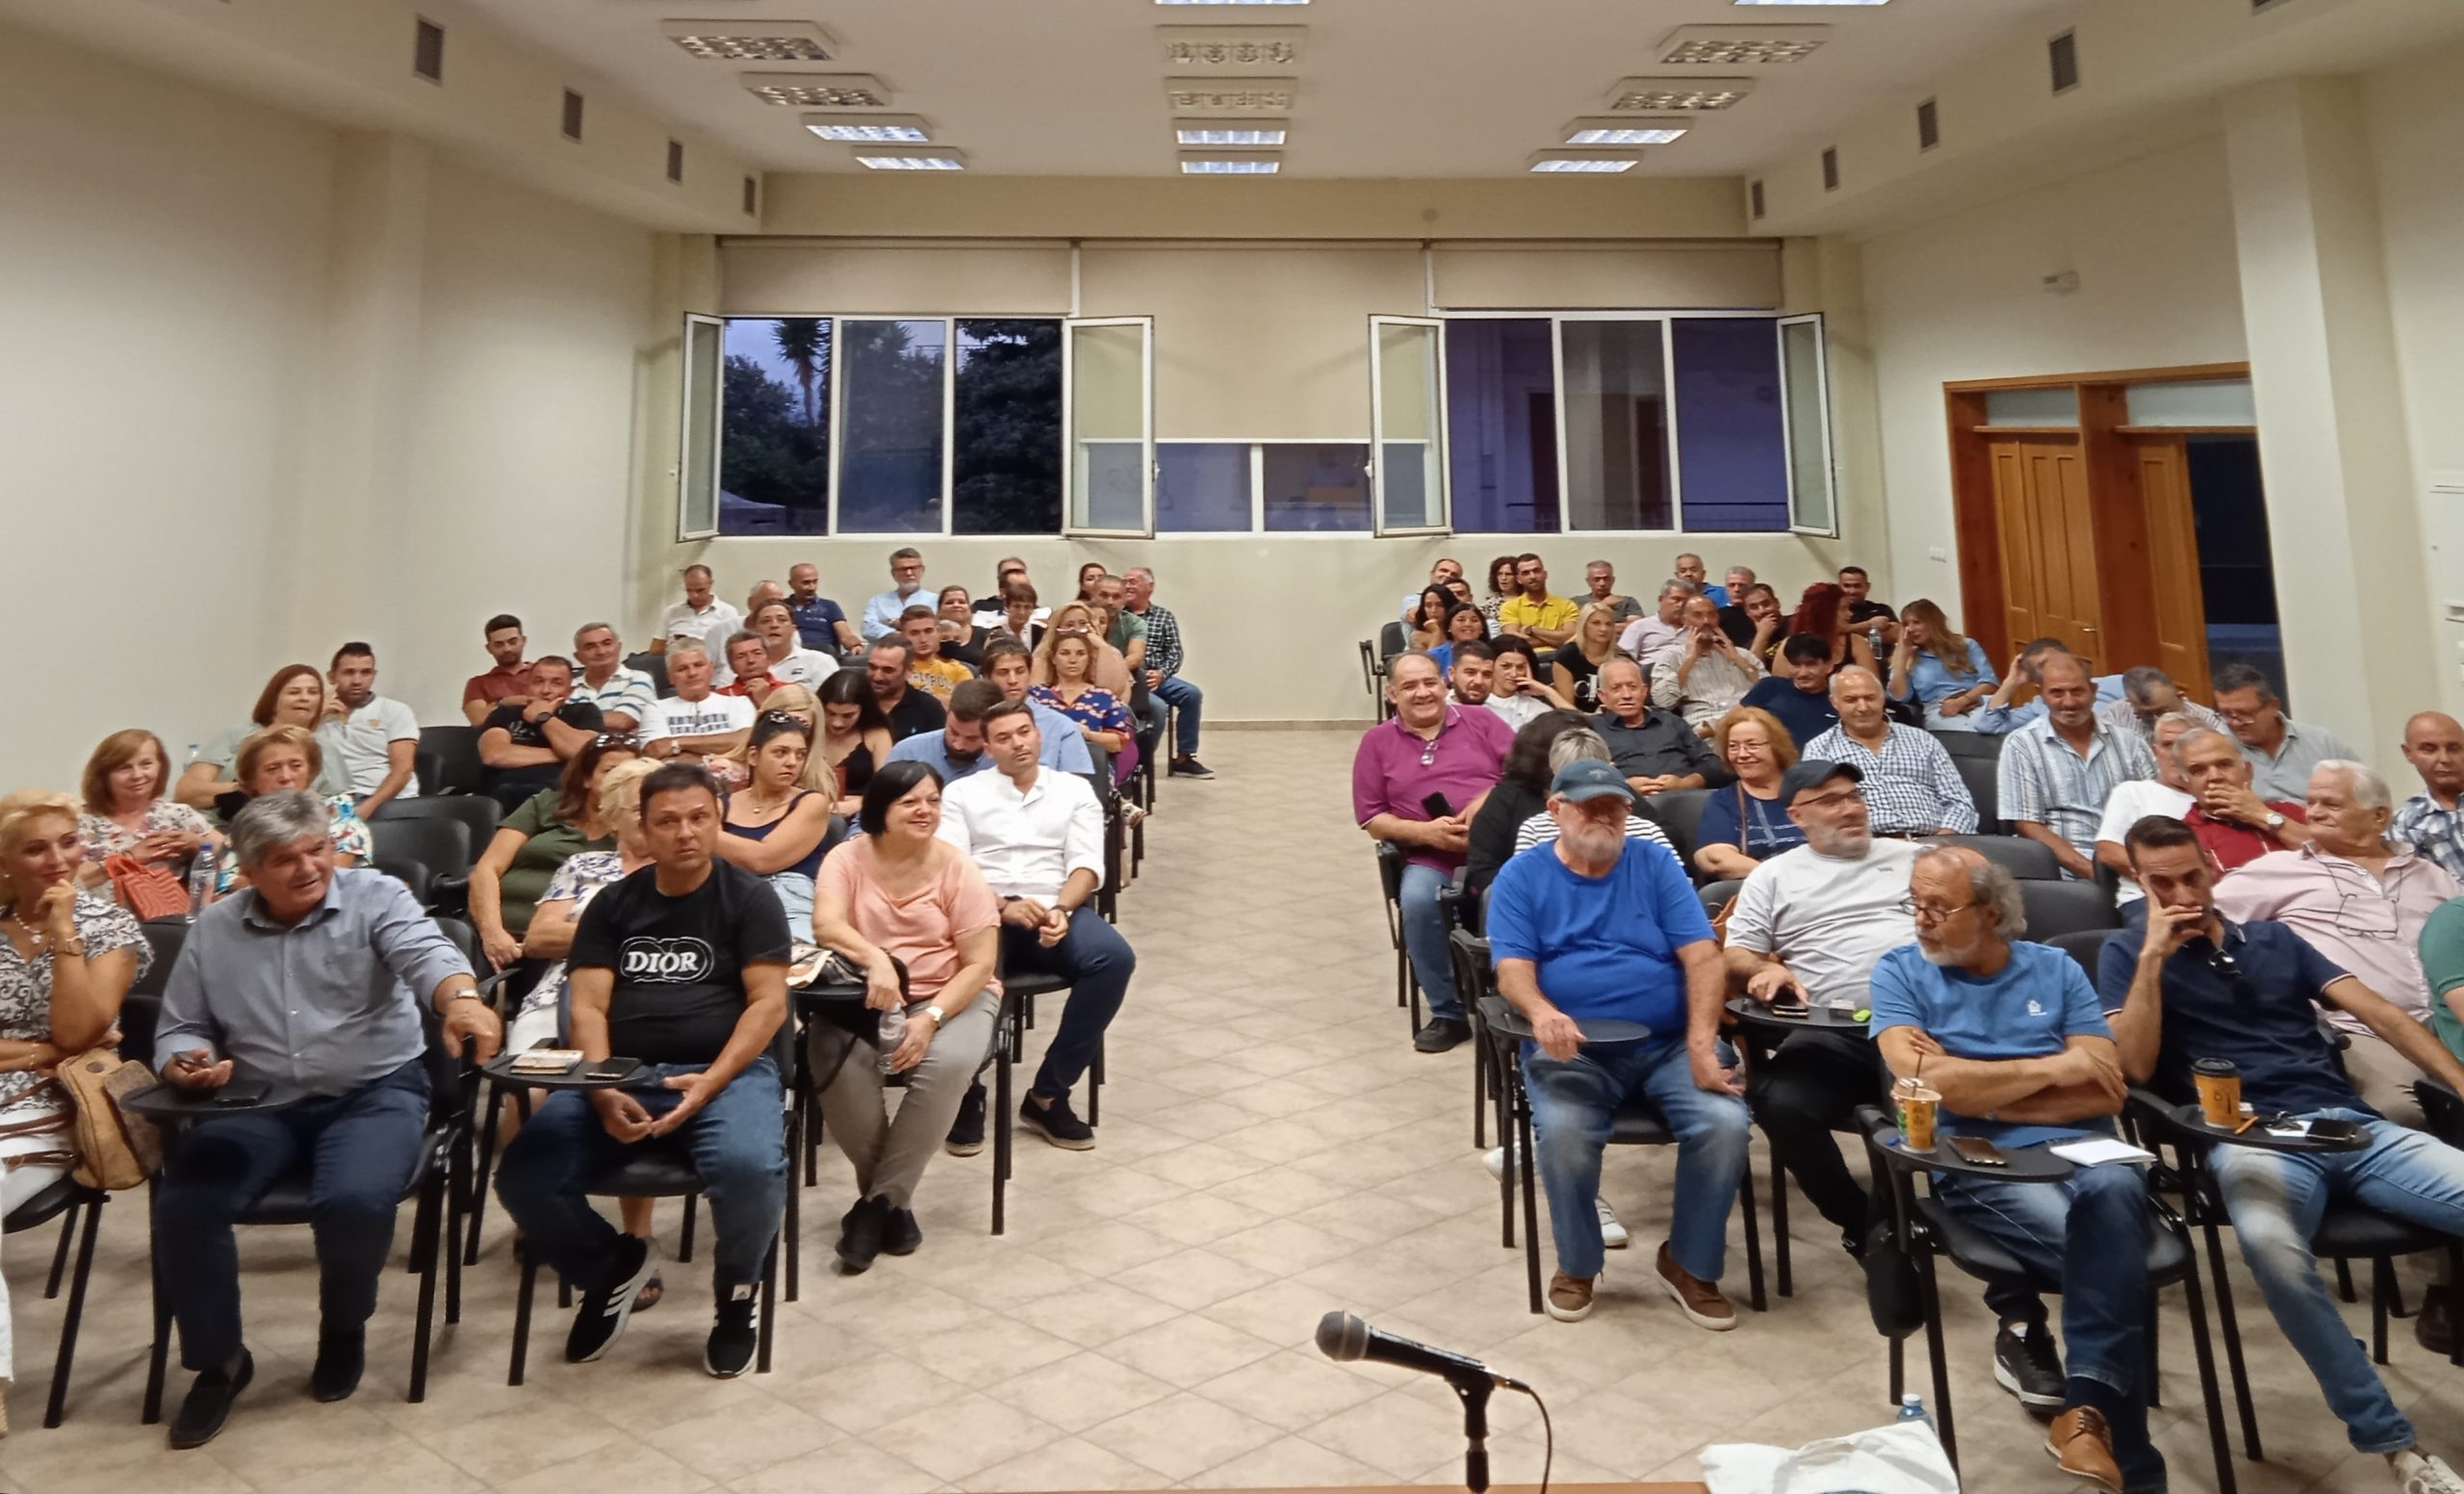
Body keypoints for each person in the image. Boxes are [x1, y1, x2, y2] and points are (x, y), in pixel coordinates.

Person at [2107, 815, 2464, 1494]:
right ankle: (2395, 1446)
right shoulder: (2126, 955)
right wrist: (2153, 957)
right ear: (2141, 885)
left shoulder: (2273, 938)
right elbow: (2134, 1067)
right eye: (2162, 884)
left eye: (2191, 876)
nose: (2183, 894)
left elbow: (2383, 1015)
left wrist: (2461, 1081)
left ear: (2212, 868)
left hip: (2346, 1127)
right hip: (2251, 1138)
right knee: (2273, 1253)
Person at [152, 791, 499, 1445]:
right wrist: (183, 1061)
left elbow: (428, 955)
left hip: (373, 1090)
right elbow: (181, 1027)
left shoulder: (376, 897)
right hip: (258, 1100)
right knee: (185, 1203)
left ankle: (343, 1327)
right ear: (249, 871)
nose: (309, 867)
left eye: (317, 850)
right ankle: (219, 1362)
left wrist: (461, 1001)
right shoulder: (215, 929)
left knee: (355, 1200)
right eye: (286, 859)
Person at [1868, 846, 2158, 1493]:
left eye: (1939, 907)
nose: (1921, 920)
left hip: (2086, 1148)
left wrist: (1977, 1086)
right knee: (2108, 1258)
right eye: (1916, 903)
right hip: (1979, 1156)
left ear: (1991, 914)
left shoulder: (2056, 969)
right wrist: (2057, 1067)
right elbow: (1922, 1082)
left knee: (2115, 1187)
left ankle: (2084, 1415)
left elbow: (2106, 1089)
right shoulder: (1900, 972)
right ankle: (2127, 1455)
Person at [493, 764, 788, 1379]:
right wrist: (604, 1088)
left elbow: (768, 1005)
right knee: (523, 1174)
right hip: (623, 1073)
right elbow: (588, 1007)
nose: (686, 833)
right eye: (668, 821)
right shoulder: (612, 904)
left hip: (723, 1073)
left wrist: (712, 1082)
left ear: (719, 820)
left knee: (750, 1169)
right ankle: (611, 1270)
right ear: (644, 831)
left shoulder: (751, 899)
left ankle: (737, 1299)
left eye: (700, 818)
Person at [1484, 758, 1748, 1327]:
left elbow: (1704, 958)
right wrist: (1542, 1012)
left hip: (1669, 1045)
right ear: (1556, 810)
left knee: (1724, 1125)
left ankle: (1689, 1263)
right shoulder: (1522, 876)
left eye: (1615, 807)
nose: (1604, 816)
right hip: (1573, 1048)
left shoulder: (1654, 863)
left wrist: (1702, 1044)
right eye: (1591, 806)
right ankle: (1578, 1264)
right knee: (1564, 1135)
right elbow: (1511, 968)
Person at [1722, 762, 1922, 1257]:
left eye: (1854, 796)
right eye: (1830, 801)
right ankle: (1863, 1222)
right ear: (1796, 815)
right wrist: (1763, 969)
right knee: (1778, 1101)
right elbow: (1737, 953)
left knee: (1970, 1100)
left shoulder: (1916, 859)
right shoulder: (1774, 875)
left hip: (1930, 1028)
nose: (1850, 809)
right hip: (1835, 1032)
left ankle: (1956, 1218)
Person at [808, 761, 1000, 1268]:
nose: (925, 811)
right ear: (880, 808)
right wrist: (876, 959)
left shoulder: (958, 867)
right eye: (910, 801)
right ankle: (892, 1206)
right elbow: (826, 925)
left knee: (949, 1064)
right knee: (832, 1059)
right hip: (863, 995)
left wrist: (931, 1016)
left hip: (953, 994)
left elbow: (980, 964)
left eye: (933, 800)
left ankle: (875, 1207)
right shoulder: (846, 857)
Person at [0, 791, 148, 1433]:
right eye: (36, 848)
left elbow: (79, 1031)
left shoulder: (109, 929)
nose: (58, 859)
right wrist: (42, 1050)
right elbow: (61, 1042)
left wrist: (63, 933)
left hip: (52, 1108)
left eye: (68, 841)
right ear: (5, 862)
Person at [2213, 760, 2464, 1128]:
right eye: (2311, 802)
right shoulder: (2279, 870)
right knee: (2402, 1112)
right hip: (2361, 1029)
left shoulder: (2431, 875)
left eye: (2331, 804)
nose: (2314, 812)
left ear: (2379, 817)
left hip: (2448, 1023)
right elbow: (2204, 916)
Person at [939, 699, 1130, 1152]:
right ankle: (965, 1090)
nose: (1018, 744)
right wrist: (1002, 906)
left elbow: (1086, 864)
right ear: (987, 748)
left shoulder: (1073, 790)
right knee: (969, 972)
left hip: (1053, 908)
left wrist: (1061, 910)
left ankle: (1048, 1094)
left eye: (1024, 732)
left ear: (1038, 734)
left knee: (1114, 959)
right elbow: (953, 871)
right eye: (1003, 738)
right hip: (985, 913)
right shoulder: (962, 794)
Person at [1353, 653, 1512, 1053]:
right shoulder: (1376, 742)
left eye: (1429, 682)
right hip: (1430, 854)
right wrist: (1427, 833)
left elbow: (1524, 773)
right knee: (1418, 900)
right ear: (1392, 694)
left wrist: (1486, 801)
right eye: (1409, 686)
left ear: (1445, 684)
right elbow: (1372, 818)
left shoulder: (1482, 721)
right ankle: (1448, 1012)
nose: (1422, 692)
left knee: (1513, 895)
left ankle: (1509, 1001)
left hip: (1498, 848)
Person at [468, 734, 639, 968]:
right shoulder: (547, 804)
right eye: (610, 771)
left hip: (559, 944)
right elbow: (487, 868)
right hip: (490, 931)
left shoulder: (637, 830)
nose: (619, 780)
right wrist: (492, 932)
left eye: (629, 773)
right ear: (586, 778)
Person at [1997, 652, 2156, 881]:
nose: (2069, 702)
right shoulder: (2022, 744)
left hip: (2130, 862)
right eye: (2057, 693)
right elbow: (2027, 824)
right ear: (2041, 695)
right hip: (2061, 870)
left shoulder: (2129, 741)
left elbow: (2154, 807)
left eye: (2077, 691)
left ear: (2094, 691)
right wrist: (2094, 873)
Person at [1804, 667, 1976, 836]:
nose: (1863, 707)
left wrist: (1943, 841)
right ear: (1834, 702)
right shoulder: (1819, 749)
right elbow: (1817, 811)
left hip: (1931, 840)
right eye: (1851, 700)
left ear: (1882, 699)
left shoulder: (1922, 740)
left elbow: (1960, 802)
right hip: (1863, 845)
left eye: (1870, 698)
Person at [713, 713, 834, 934]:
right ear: (753, 756)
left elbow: (762, 859)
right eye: (781, 752)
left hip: (791, 903)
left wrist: (704, 834)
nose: (792, 762)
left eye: (800, 755)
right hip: (729, 901)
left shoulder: (812, 802)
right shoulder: (720, 804)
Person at [212, 729, 372, 891]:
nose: (286, 776)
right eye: (272, 769)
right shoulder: (245, 825)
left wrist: (262, 880)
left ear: (310, 771)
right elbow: (226, 886)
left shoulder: (337, 810)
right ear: (252, 779)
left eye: (296, 766)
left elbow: (331, 874)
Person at [177, 664, 355, 809]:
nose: (304, 698)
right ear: (274, 700)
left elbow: (340, 807)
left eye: (313, 692)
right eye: (294, 692)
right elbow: (185, 791)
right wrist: (251, 788)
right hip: (214, 825)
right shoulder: (236, 735)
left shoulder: (323, 747)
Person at [77, 729, 215, 896]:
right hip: (99, 910)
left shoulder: (178, 814)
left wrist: (198, 844)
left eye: (146, 764)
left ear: (160, 767)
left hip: (171, 908)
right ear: (103, 776)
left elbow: (231, 855)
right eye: (124, 768)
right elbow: (64, 884)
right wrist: (128, 858)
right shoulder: (79, 823)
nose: (137, 775)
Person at [2092, 711, 2200, 919]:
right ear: (2155, 751)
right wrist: (2167, 880)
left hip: (2217, 897)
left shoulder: (2215, 797)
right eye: (2168, 745)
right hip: (2148, 900)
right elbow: (2107, 850)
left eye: (2184, 744)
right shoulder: (2132, 792)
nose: (2175, 753)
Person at [2212, 662, 2359, 803]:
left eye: (2245, 713)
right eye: (2226, 714)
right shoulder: (2217, 750)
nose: (2235, 723)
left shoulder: (2322, 742)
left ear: (2274, 706)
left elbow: (2362, 794)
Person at [477, 656, 604, 813]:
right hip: (507, 794)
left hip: (564, 795)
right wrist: (565, 754)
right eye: (538, 682)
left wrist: (544, 717)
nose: (546, 690)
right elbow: (494, 755)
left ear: (569, 691)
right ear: (527, 687)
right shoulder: (506, 713)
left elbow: (587, 752)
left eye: (556, 683)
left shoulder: (584, 711)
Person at [2175, 726, 2313, 869]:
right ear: (2185, 783)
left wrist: (2261, 815)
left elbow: (2326, 854)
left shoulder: (2291, 812)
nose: (2214, 777)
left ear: (2248, 771)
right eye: (2198, 771)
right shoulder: (2182, 836)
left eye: (2224, 765)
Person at [1693, 708, 1807, 879]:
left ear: (1777, 747)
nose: (1742, 754)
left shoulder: (1809, 791)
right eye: (1733, 747)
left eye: (1752, 745)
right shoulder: (1724, 801)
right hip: (1765, 888)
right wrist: (1782, 878)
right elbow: (1715, 858)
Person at [1591, 657, 1726, 796]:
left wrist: (1686, 783)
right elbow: (1583, 775)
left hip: (1685, 798)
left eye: (1632, 687)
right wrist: (1622, 785)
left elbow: (1714, 764)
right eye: (1616, 688)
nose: (1627, 695)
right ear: (1602, 695)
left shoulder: (1671, 722)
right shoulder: (1591, 729)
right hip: (1625, 802)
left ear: (1644, 691)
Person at [1123, 567, 1210, 779]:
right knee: (1159, 708)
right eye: (1125, 581)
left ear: (1150, 587)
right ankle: (1141, 760)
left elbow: (1175, 653)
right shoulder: (1120, 616)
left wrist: (1162, 673)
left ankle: (1184, 758)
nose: (1127, 586)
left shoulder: (1164, 616)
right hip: (1131, 679)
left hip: (1159, 677)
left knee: (1191, 694)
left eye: (1133, 581)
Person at [1031, 631, 1138, 786]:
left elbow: (1119, 742)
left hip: (1091, 772)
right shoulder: (1036, 695)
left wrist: (1088, 735)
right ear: (1053, 658)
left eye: (1080, 654)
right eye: (1065, 653)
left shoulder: (1104, 696)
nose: (1072, 660)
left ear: (1089, 659)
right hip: (1043, 769)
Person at [323, 643, 420, 814]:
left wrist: (368, 807)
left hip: (390, 801)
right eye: (349, 672)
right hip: (337, 800)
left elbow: (403, 769)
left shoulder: (394, 710)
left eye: (365, 672)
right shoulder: (317, 716)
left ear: (373, 676)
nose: (357, 681)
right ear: (332, 677)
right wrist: (315, 716)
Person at [1653, 595, 1763, 735]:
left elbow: (1770, 692)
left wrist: (1738, 660)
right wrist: (1689, 661)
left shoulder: (1741, 654)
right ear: (1684, 620)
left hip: (1751, 720)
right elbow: (1662, 702)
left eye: (1712, 615)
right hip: (1705, 724)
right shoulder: (1671, 657)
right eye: (1698, 615)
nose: (1706, 621)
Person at [637, 642, 755, 768]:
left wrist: (676, 743)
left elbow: (744, 743)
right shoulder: (655, 709)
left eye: (698, 665)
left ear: (711, 669)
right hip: (677, 778)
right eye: (682, 669)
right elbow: (657, 752)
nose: (692, 673)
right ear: (670, 677)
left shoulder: (739, 703)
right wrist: (724, 753)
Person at [1886, 600, 1997, 731]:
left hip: (1976, 701)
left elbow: (1990, 683)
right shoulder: (1907, 657)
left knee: (2006, 726)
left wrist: (1962, 701)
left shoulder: (1967, 645)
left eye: (1917, 622)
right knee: (1973, 730)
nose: (1910, 629)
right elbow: (1899, 697)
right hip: (1940, 709)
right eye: (1906, 624)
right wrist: (1903, 657)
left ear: (1934, 623)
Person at [1740, 634, 1842, 751]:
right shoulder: (1770, 686)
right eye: (1796, 665)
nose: (1803, 673)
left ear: (1829, 665)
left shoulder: (1839, 700)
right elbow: (1733, 721)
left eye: (1811, 664)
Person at [2397, 711, 2464, 882]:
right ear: (2408, 753)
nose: (2444, 759)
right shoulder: (2405, 823)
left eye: (2453, 748)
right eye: (2429, 749)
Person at [817, 670, 893, 817]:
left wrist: (858, 804)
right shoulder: (809, 730)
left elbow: (887, 789)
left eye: (848, 715)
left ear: (863, 710)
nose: (837, 723)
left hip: (862, 814)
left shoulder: (878, 735)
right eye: (831, 713)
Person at [2096, 666, 2227, 744]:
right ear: (2129, 703)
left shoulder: (2209, 723)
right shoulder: (2116, 715)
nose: (2157, 720)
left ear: (2180, 697)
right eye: (2145, 715)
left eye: (2164, 712)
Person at [1031, 602, 1133, 697]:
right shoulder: (1042, 653)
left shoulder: (1110, 651)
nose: (1077, 630)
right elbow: (1035, 694)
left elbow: (1114, 693)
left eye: (1083, 623)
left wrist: (1103, 647)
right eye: (1069, 625)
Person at [569, 624, 656, 734]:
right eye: (590, 647)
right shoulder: (568, 687)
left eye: (607, 644)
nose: (601, 651)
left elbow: (621, 722)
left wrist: (566, 724)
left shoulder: (638, 679)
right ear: (578, 657)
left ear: (618, 647)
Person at [1787, 582, 1882, 679]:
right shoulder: (1790, 645)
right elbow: (1781, 685)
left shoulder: (1857, 644)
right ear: (1824, 614)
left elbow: (1871, 684)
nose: (1850, 614)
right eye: (1843, 609)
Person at [866, 638, 949, 743]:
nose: (877, 677)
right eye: (872, 667)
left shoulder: (929, 709)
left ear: (909, 670)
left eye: (888, 670)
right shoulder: (855, 700)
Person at [1546, 604, 1624, 712]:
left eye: (1608, 624)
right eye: (1596, 623)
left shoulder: (1621, 657)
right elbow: (1567, 708)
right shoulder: (1567, 655)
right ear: (1583, 625)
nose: (1603, 629)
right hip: (1578, 718)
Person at [749, 599, 838, 691]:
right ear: (755, 630)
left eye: (782, 620)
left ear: (793, 629)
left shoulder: (820, 661)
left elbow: (835, 698)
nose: (774, 625)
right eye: (766, 621)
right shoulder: (746, 665)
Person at [461, 615, 532, 727]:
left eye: (512, 642)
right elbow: (478, 719)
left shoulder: (543, 673)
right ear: (489, 648)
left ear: (523, 641)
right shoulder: (478, 684)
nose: (507, 649)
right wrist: (506, 702)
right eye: (499, 644)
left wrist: (495, 708)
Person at [661, 564, 743, 661]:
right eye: (689, 590)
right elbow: (655, 649)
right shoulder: (671, 612)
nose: (694, 595)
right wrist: (676, 647)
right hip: (678, 664)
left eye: (700, 590)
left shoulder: (728, 612)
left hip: (713, 664)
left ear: (710, 584)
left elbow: (736, 648)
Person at [1485, 636, 1569, 731]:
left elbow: (1576, 724)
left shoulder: (1536, 709)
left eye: (1520, 667)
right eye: (1506, 666)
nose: (1514, 674)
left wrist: (1548, 692)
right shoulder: (1474, 701)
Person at [1497, 554, 1579, 649]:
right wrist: (1557, 639)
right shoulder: (1509, 607)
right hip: (1527, 657)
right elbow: (1512, 641)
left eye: (1536, 571)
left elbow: (1571, 638)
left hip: (1560, 656)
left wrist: (1531, 630)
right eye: (1526, 573)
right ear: (1519, 579)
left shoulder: (1568, 605)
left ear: (1545, 574)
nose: (1532, 576)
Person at [787, 562, 861, 655]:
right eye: (806, 583)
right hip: (793, 654)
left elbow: (846, 635)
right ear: (791, 584)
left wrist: (855, 645)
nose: (812, 587)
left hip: (825, 654)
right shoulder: (782, 607)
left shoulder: (829, 606)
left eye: (815, 582)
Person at [1617, 580, 1693, 669]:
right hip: (1650, 672)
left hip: (1688, 672)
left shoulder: (1695, 629)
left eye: (1686, 601)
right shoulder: (1640, 626)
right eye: (1676, 599)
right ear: (1661, 599)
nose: (1681, 605)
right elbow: (1624, 659)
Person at [861, 547, 930, 640]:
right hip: (886, 648)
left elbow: (938, 628)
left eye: (913, 568)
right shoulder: (877, 601)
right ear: (893, 574)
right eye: (903, 569)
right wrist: (901, 635)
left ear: (922, 570)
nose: (909, 573)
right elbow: (867, 629)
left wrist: (889, 623)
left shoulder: (936, 600)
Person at [1091, 575, 1148, 680]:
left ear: (1124, 600)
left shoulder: (1135, 623)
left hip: (1121, 674)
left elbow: (1135, 657)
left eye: (1116, 597)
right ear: (1092, 595)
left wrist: (1108, 674)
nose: (1110, 602)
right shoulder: (1078, 617)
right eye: (1103, 595)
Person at [1836, 565, 1898, 645]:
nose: (1852, 591)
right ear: (1838, 587)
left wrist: (1848, 630)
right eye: (1847, 586)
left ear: (1867, 587)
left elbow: (1897, 632)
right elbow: (1832, 633)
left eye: (1857, 586)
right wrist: (1870, 625)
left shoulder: (1881, 609)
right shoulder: (1832, 610)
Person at [935, 586, 990, 672]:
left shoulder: (985, 635)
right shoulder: (930, 634)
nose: (956, 605)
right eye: (949, 602)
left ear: (969, 608)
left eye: (961, 602)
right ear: (939, 609)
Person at [1427, 605, 1491, 680]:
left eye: (1474, 620)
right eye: (1461, 620)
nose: (1467, 624)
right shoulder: (1435, 656)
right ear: (1449, 627)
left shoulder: (1492, 653)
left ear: (1482, 628)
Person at [1732, 582, 1787, 667]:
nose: (1762, 611)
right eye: (1754, 607)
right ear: (1748, 613)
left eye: (1766, 604)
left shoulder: (1796, 623)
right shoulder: (1750, 645)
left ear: (1777, 603)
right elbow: (1751, 670)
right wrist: (1762, 636)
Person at [717, 631, 782, 706]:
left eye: (757, 653)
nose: (750, 660)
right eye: (741, 657)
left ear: (769, 658)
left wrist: (764, 701)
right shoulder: (719, 697)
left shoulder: (788, 690)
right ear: (731, 665)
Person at [1400, 558, 1467, 625]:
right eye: (1444, 571)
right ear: (1432, 574)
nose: (1448, 575)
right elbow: (1414, 616)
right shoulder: (1413, 600)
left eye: (1454, 574)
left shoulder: (1459, 600)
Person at [1578, 560, 1643, 625]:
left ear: (1613, 580)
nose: (1602, 583)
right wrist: (1602, 604)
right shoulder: (1576, 602)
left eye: (1606, 579)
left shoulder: (1627, 602)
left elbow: (1636, 626)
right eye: (1597, 579)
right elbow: (1577, 627)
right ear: (1588, 581)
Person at [989, 581, 1045, 655]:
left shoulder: (1038, 631)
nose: (1022, 612)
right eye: (1016, 606)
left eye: (1027, 607)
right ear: (1006, 607)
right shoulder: (994, 630)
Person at [1476, 555, 1518, 632]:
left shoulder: (1528, 601)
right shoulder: (1487, 606)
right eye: (1499, 574)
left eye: (1508, 574)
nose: (1503, 578)